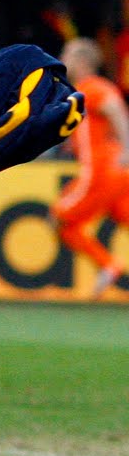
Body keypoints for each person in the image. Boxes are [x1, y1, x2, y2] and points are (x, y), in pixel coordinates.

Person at [52, 38, 129, 298]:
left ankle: (108, 265)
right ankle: (108, 265)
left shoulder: (92, 87)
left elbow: (115, 109)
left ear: (83, 60)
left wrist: (127, 149)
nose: (62, 59)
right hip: (115, 172)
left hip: (101, 172)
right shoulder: (84, 90)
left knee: (59, 218)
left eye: (68, 54)